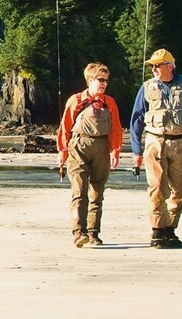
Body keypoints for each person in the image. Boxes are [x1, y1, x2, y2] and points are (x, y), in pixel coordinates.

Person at [127, 49, 182, 249]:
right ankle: (157, 230)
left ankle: (169, 229)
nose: (154, 69)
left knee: (179, 191)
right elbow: (136, 119)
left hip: (181, 143)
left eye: (158, 65)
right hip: (155, 142)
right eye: (152, 66)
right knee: (157, 188)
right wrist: (136, 151)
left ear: (170, 66)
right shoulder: (146, 87)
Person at [57, 63, 123, 248]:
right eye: (101, 80)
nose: (104, 84)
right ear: (90, 80)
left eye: (106, 80)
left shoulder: (109, 103)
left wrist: (115, 151)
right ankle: (79, 232)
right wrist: (62, 152)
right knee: (79, 191)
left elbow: (116, 128)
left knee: (97, 193)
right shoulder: (75, 100)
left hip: (102, 146)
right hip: (78, 146)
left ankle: (94, 233)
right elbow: (65, 126)